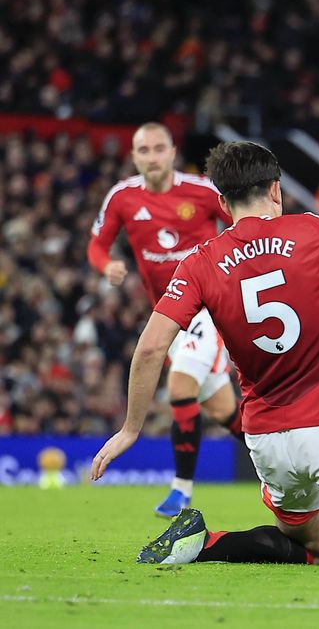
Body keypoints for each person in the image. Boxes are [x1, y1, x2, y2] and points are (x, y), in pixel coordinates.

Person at [91, 141, 319, 574]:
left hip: (267, 440)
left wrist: (130, 429)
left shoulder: (199, 263)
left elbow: (152, 346)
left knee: (316, 549)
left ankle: (203, 542)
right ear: (275, 189)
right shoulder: (312, 231)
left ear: (222, 202)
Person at [88, 122, 243, 517]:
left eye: (159, 148)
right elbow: (97, 245)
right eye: (144, 150)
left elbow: (246, 223)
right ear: (134, 156)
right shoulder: (122, 197)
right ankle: (289, 458)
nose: (152, 157)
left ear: (173, 152)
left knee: (180, 383)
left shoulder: (203, 191)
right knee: (224, 411)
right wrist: (106, 265)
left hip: (209, 308)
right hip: (169, 316)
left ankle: (180, 491)